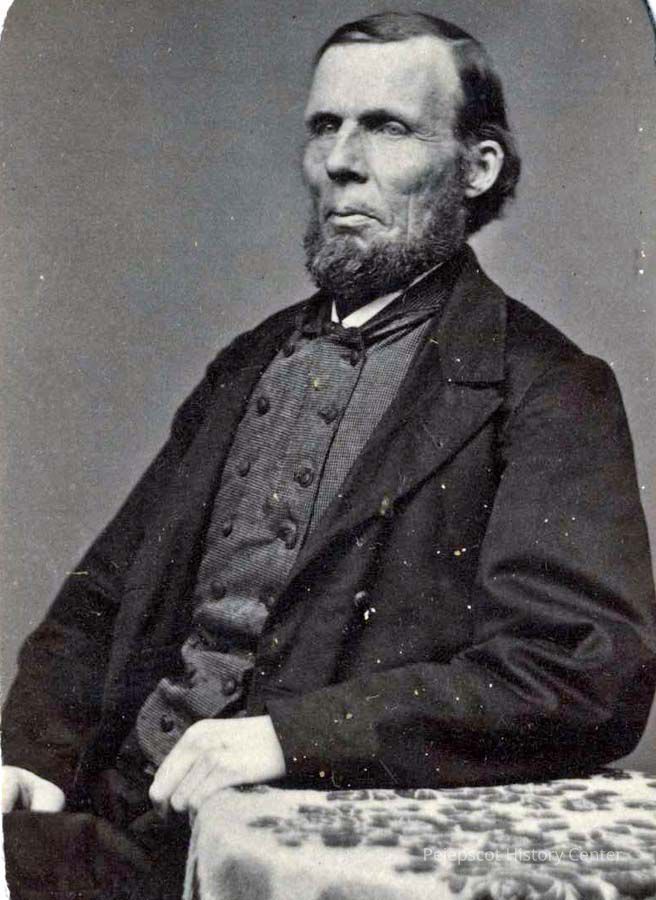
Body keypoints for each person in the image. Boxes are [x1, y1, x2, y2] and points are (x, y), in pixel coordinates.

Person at [3, 11, 655, 900]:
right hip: (108, 811)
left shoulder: (544, 388)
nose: (342, 161)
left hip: (282, 841)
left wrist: (289, 737)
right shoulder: (249, 361)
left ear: (477, 167)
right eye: (324, 127)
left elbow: (579, 670)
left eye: (388, 128)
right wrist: (31, 752)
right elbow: (106, 593)